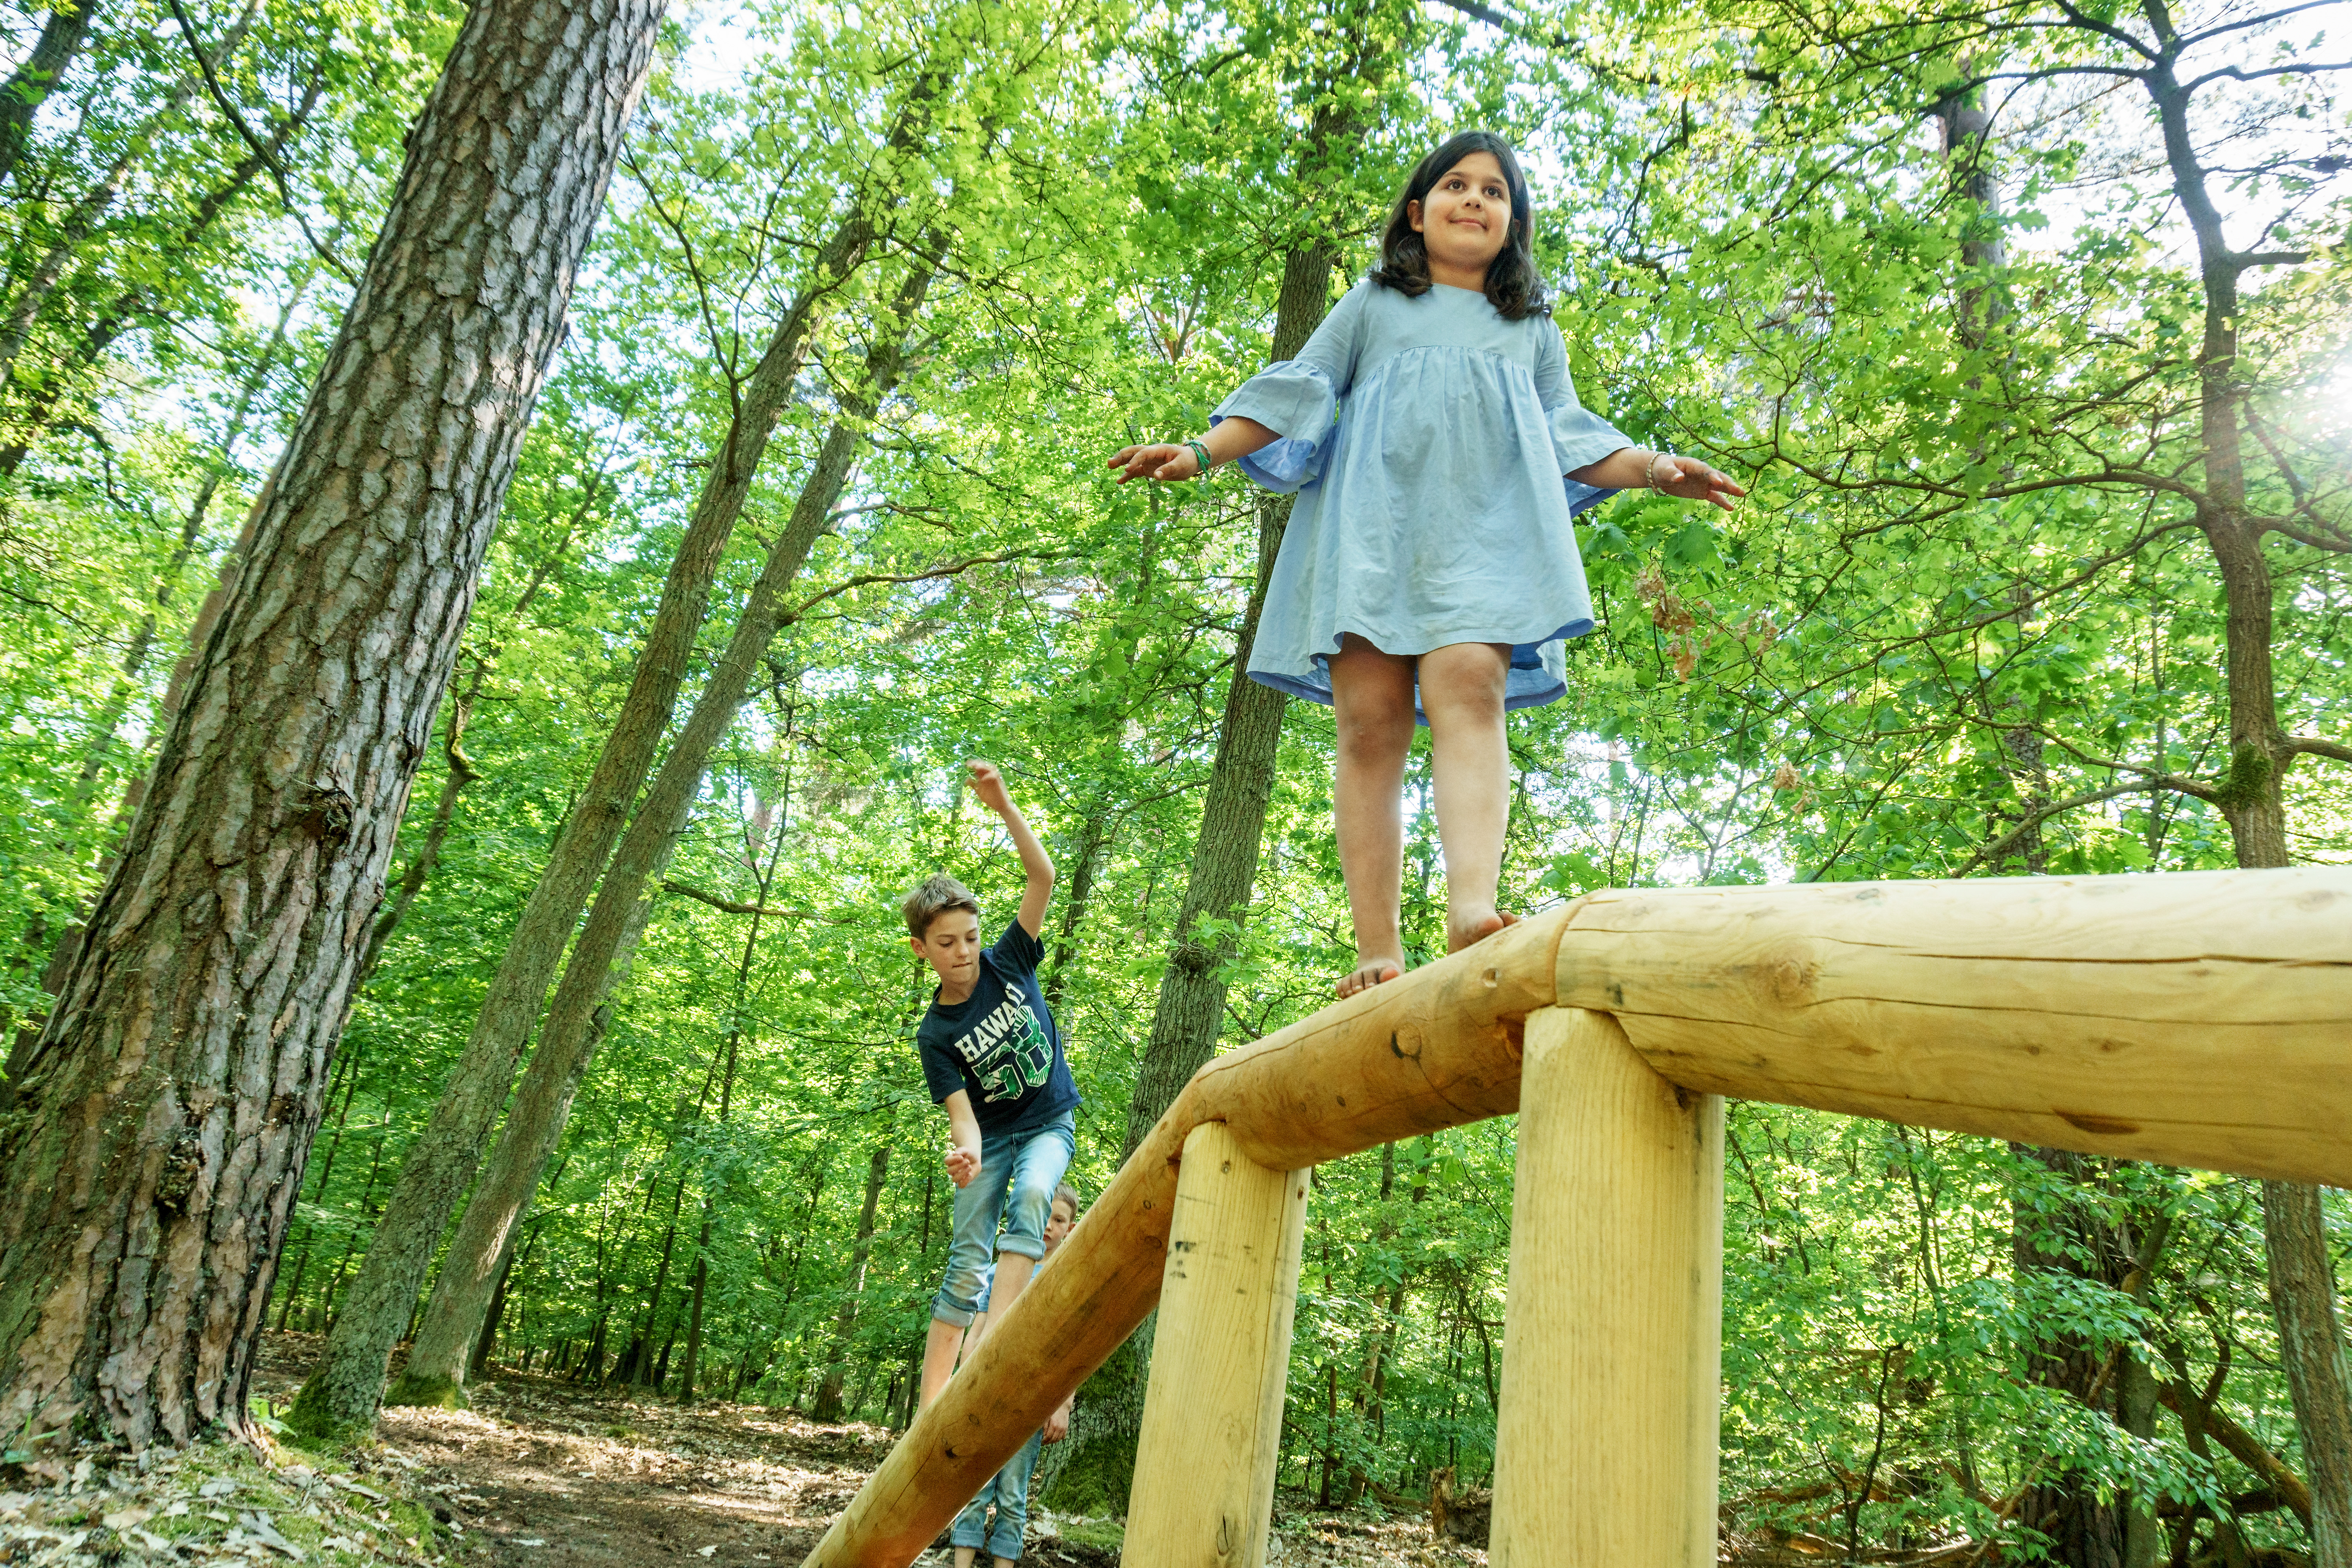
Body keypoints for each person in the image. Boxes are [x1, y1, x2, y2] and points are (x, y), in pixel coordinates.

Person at [1107, 130, 1743, 998]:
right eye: (1455, 185)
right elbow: (1299, 389)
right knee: (1369, 725)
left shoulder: (1529, 327)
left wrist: (1656, 468)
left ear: (1514, 224)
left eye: (1494, 191)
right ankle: (1377, 946)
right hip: (1369, 537)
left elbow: (1569, 430)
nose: (1474, 199)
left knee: (1470, 688)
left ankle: (1472, 908)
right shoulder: (1374, 302)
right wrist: (1200, 450)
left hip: (1482, 541)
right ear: (1418, 211)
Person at [906, 762, 1079, 1412]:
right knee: (964, 1260)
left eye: (970, 937)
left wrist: (1004, 804)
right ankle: (928, 1409)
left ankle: (991, 1341)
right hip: (992, 1137)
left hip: (1048, 1121)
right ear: (922, 948)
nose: (963, 951)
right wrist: (966, 1153)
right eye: (946, 942)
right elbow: (963, 1115)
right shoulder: (936, 1032)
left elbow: (1044, 878)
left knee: (1036, 1193)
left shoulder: (1009, 959)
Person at [947, 1183, 1084, 1568]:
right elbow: (977, 1331)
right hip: (987, 1394)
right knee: (975, 1486)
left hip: (1034, 1399)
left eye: (1059, 1219)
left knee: (1012, 1494)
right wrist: (964, 1385)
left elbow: (1074, 1349)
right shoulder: (999, 1270)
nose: (1049, 1226)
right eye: (1045, 1216)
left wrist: (1063, 1404)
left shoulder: (1069, 1277)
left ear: (1070, 1228)